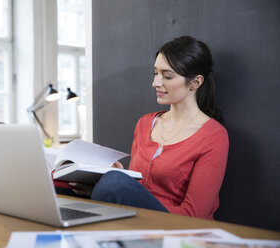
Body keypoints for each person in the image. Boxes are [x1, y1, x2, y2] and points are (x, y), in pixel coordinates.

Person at [64, 36, 229, 220]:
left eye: (167, 76)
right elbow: (139, 189)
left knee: (113, 182)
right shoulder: (145, 124)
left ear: (196, 82)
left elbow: (194, 214)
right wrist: (113, 183)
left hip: (179, 227)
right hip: (137, 221)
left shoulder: (213, 136)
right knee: (67, 188)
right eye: (155, 73)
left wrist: (118, 186)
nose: (156, 83)